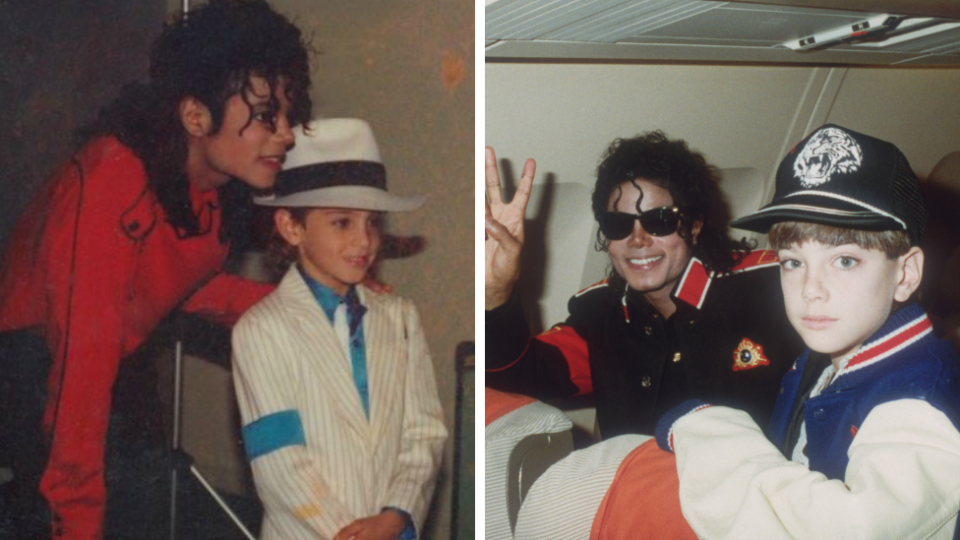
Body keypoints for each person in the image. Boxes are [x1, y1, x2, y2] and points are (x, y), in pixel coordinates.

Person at [0, 1, 313, 538]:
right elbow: (80, 379)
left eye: (288, 114)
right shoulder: (110, 186)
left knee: (139, 487)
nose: (286, 134)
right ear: (195, 116)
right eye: (265, 116)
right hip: (27, 368)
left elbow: (176, 285)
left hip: (96, 360)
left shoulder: (205, 182)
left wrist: (316, 301)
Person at [655, 124, 960, 539]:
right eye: (793, 262)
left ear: (905, 273)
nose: (810, 290)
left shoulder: (920, 404)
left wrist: (705, 428)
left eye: (845, 261)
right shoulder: (820, 359)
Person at [484, 132, 804, 438]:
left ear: (694, 226)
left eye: (659, 221)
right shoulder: (602, 315)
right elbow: (518, 377)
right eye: (619, 225)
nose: (637, 240)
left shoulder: (772, 288)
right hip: (638, 489)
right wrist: (496, 291)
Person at [231, 118, 447, 540]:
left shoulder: (400, 318)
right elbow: (279, 463)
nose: (363, 241)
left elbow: (424, 433)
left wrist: (395, 515)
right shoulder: (261, 330)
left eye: (372, 223)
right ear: (291, 227)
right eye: (342, 222)